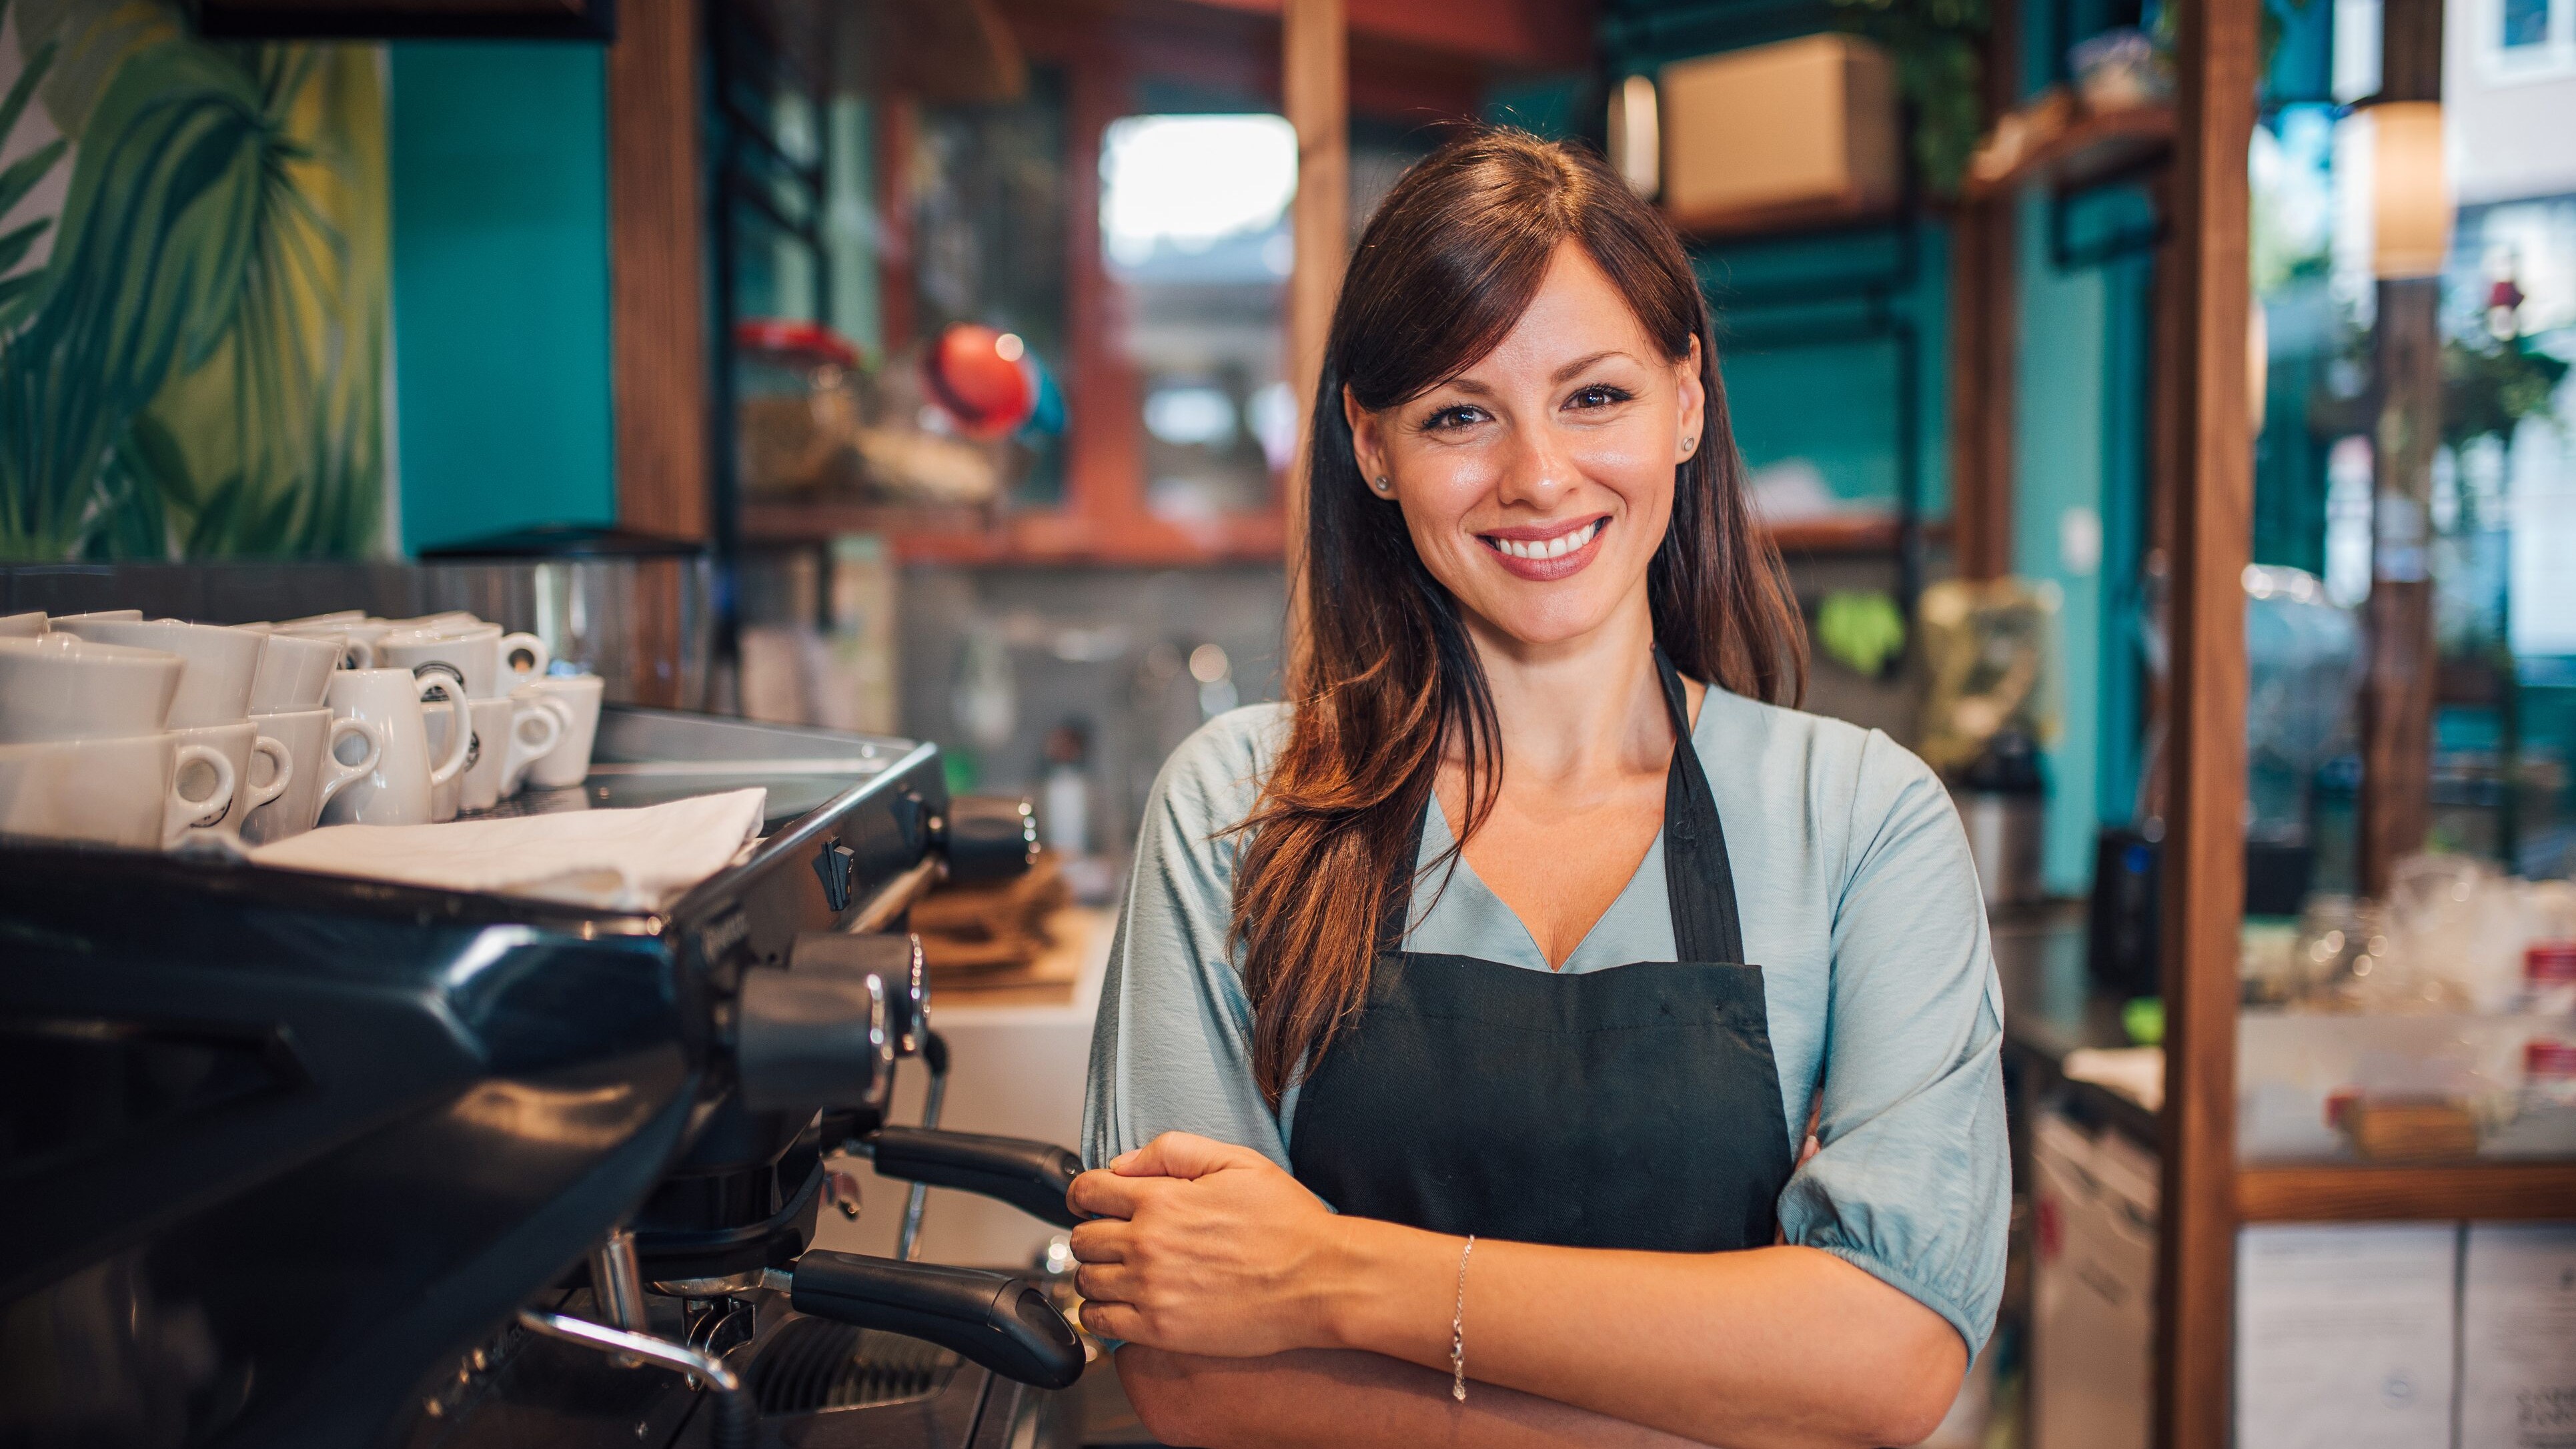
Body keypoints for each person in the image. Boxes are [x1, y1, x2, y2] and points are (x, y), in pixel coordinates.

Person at [1070, 128, 2007, 1448]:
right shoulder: (1239, 808)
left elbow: (1890, 1359)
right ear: (1372, 446)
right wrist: (1738, 1390)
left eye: (1594, 396)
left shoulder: (1857, 820)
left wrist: (1322, 1274)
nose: (1538, 477)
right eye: (1459, 415)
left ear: (1685, 403)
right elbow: (1191, 1372)